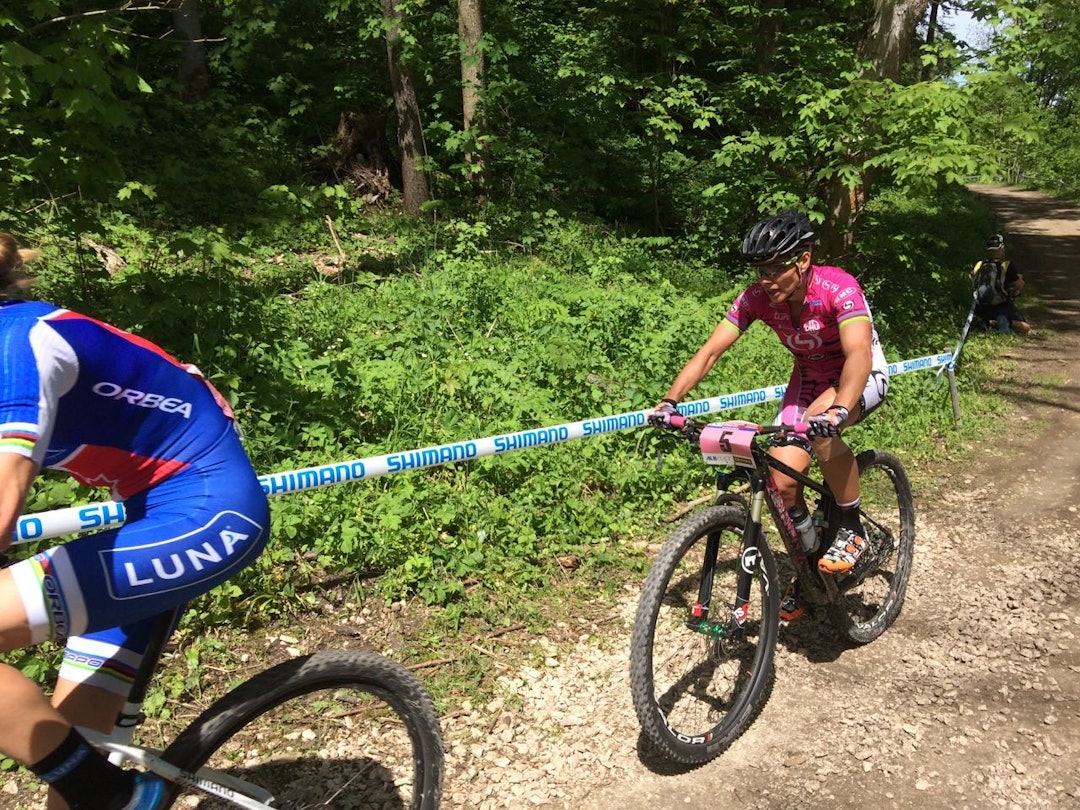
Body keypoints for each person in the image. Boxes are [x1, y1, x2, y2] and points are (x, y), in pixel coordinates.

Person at [0, 233, 271, 810]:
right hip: (147, 519)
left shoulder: (19, 343)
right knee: (70, 781)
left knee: (92, 790)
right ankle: (106, 792)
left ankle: (114, 794)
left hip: (209, 513)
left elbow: (4, 498)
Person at [650, 210, 890, 588]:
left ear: (803, 259)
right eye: (761, 269)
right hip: (809, 380)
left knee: (821, 431)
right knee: (782, 481)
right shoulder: (757, 298)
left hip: (859, 375)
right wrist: (670, 401)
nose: (766, 279)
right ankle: (812, 572)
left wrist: (841, 408)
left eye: (776, 268)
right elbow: (710, 352)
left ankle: (851, 527)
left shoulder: (838, 287)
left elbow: (858, 352)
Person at [972, 234, 1030, 334]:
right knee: (1026, 327)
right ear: (1001, 248)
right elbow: (1020, 285)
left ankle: (989, 323)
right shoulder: (1006, 266)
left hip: (980, 307)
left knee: (985, 320)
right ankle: (1005, 321)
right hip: (1001, 306)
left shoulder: (979, 265)